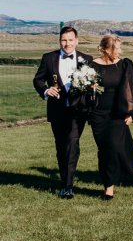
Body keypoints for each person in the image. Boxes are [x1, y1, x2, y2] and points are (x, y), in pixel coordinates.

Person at [33, 26, 93, 199]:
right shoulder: (49, 58)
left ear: (77, 41)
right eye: (64, 40)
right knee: (61, 146)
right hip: (57, 111)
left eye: (70, 40)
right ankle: (64, 180)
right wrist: (45, 90)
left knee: (73, 144)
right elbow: (38, 80)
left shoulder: (86, 59)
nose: (67, 44)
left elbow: (92, 84)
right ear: (60, 41)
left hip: (78, 111)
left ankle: (68, 186)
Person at [89, 35, 133, 199]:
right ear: (105, 49)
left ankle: (110, 189)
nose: (120, 51)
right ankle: (107, 183)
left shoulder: (124, 65)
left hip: (118, 115)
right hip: (98, 114)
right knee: (104, 151)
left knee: (114, 147)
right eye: (117, 48)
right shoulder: (91, 66)